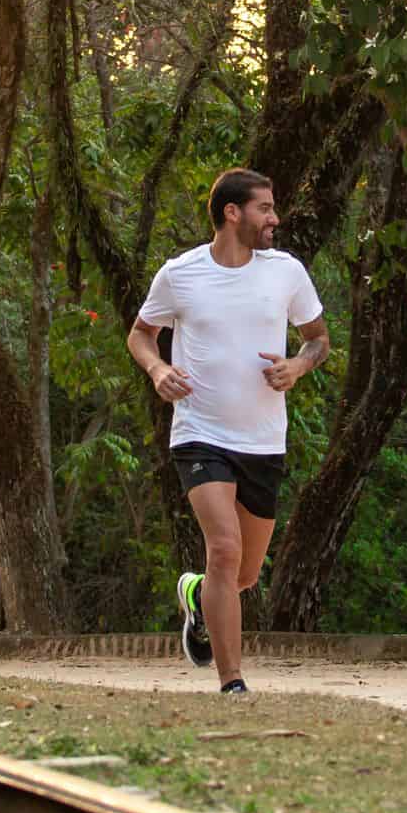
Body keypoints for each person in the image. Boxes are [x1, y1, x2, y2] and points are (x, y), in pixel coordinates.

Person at [128, 168, 329, 694]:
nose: (274, 218)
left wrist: (298, 367)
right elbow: (141, 334)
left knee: (242, 575)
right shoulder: (181, 274)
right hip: (199, 431)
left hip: (263, 439)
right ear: (232, 213)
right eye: (265, 207)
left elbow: (318, 339)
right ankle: (232, 681)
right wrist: (157, 370)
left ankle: (196, 597)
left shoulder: (285, 271)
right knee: (223, 549)